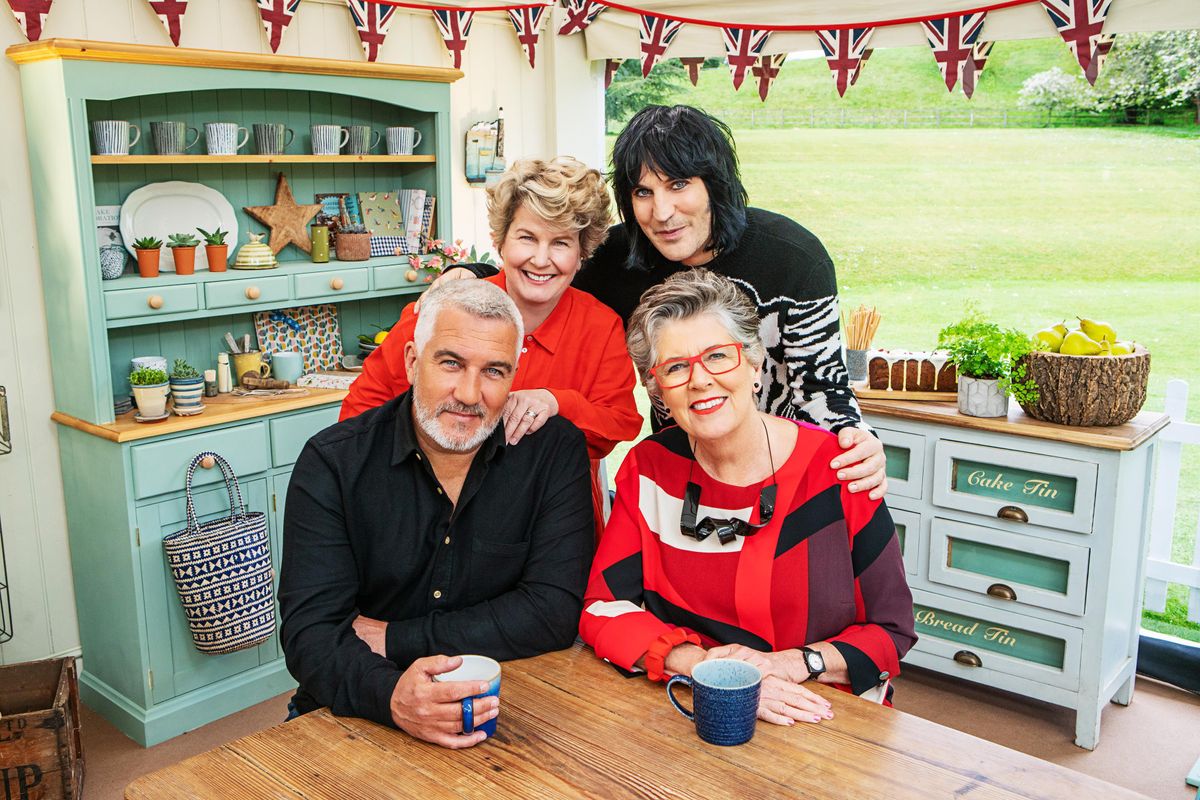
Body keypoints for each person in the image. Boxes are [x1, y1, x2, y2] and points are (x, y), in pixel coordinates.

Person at [442, 106, 888, 500]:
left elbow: (823, 387)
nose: (662, 211)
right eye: (643, 192)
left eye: (679, 184)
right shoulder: (618, 259)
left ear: (715, 184)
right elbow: (543, 271)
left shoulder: (793, 258)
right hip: (683, 476)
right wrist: (469, 276)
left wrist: (854, 439)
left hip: (786, 468)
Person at [580, 269, 915, 726]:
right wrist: (710, 669)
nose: (699, 380)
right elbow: (601, 609)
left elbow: (892, 630)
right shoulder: (650, 468)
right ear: (657, 389)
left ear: (754, 364)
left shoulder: (839, 469)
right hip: (699, 706)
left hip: (823, 716)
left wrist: (792, 664)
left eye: (718, 356)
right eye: (676, 367)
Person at [280, 280, 595, 749]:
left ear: (514, 374)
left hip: (503, 706)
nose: (469, 394)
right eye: (451, 363)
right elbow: (311, 634)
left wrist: (395, 638)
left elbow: (552, 612)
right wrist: (392, 696)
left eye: (494, 370)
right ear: (411, 361)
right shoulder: (333, 463)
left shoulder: (553, 453)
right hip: (357, 703)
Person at [341, 157, 642, 533]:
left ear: (583, 252)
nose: (541, 259)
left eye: (561, 242)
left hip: (553, 529)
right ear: (501, 241)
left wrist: (556, 402)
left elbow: (619, 423)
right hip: (430, 521)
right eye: (527, 237)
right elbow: (360, 414)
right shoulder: (442, 310)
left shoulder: (600, 326)